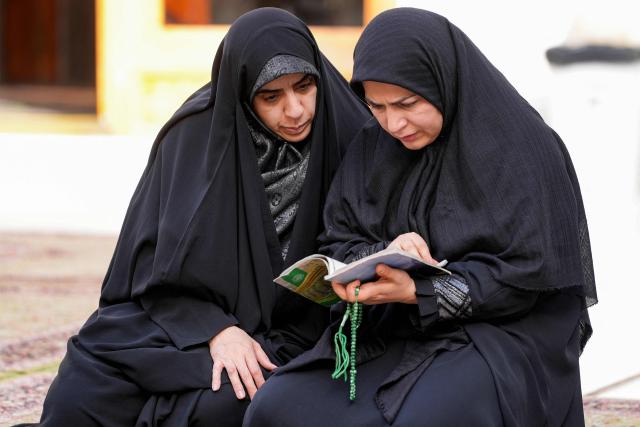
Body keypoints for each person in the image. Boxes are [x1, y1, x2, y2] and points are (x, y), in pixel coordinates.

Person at [244, 8, 597, 427]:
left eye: (407, 103)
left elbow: (531, 276)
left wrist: (420, 291)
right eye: (376, 106)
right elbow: (339, 238)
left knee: (422, 417)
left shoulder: (524, 151)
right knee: (277, 406)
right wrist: (383, 254)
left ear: (442, 81)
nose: (394, 123)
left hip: (502, 335)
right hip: (396, 331)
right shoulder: (373, 148)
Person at [34, 8, 369, 427]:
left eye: (304, 87)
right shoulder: (194, 135)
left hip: (287, 331)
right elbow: (147, 264)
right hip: (182, 315)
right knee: (83, 386)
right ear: (242, 93)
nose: (296, 110)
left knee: (232, 400)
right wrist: (216, 330)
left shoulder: (349, 134)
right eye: (272, 97)